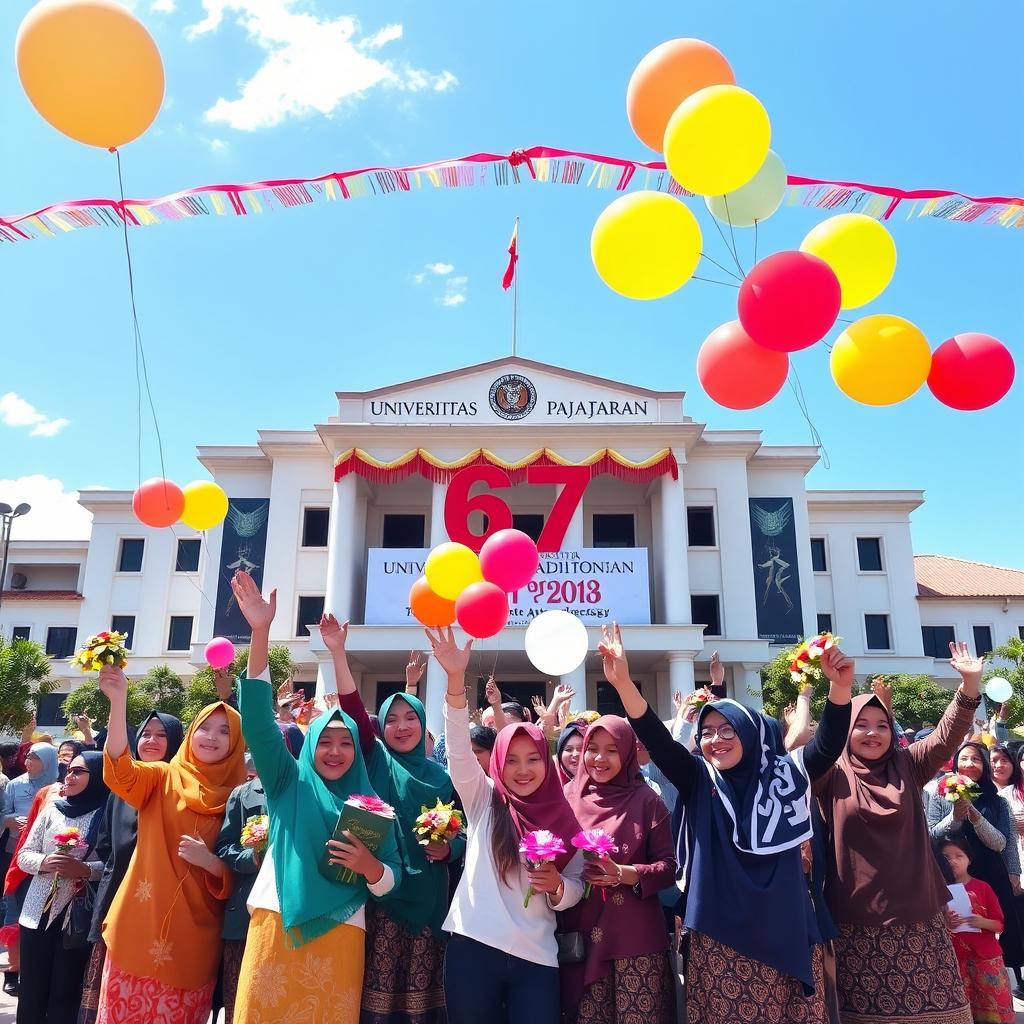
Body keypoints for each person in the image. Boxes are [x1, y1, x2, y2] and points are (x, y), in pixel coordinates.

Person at [600, 624, 853, 1024]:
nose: (715, 740)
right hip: (719, 935)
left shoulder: (785, 776)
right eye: (706, 733)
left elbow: (827, 745)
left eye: (726, 730)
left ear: (751, 734)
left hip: (785, 926)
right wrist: (624, 684)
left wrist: (839, 690)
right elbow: (660, 742)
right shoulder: (699, 778)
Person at [229, 571, 402, 1024]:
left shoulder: (370, 804)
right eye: (326, 742)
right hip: (276, 919)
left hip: (344, 931)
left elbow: (392, 878)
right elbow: (258, 726)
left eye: (346, 744)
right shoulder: (289, 780)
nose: (336, 751)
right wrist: (260, 631)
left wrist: (372, 869)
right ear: (309, 744)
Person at [815, 641, 982, 1024]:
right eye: (861, 724)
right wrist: (833, 692)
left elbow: (947, 735)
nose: (873, 733)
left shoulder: (908, 764)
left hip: (919, 917)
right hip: (855, 920)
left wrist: (970, 685)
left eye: (882, 725)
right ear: (844, 729)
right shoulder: (831, 771)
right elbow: (813, 750)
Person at [429, 625, 585, 1024]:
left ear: (545, 759)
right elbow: (460, 751)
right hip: (474, 946)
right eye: (511, 760)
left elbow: (577, 883)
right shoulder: (484, 799)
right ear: (497, 762)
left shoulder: (564, 813)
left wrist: (558, 889)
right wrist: (453, 681)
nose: (522, 770)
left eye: (532, 758)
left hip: (538, 956)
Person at [321, 616, 459, 1024]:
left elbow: (467, 829)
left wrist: (451, 847)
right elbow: (354, 716)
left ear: (422, 722)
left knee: (425, 996)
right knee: (377, 993)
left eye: (411, 717)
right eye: (392, 719)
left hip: (431, 896)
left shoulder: (441, 775)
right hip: (381, 891)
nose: (401, 726)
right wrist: (338, 653)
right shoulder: (375, 759)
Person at [96, 665, 245, 1024]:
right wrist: (119, 702)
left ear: (237, 742)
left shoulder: (243, 798)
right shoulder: (163, 777)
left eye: (224, 732)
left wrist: (209, 861)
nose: (211, 737)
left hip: (195, 939)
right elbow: (120, 771)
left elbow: (243, 870)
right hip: (138, 923)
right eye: (204, 728)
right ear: (191, 733)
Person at [561, 715, 676, 1024]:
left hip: (635, 938)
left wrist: (623, 873)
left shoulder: (647, 800)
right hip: (580, 933)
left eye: (611, 750)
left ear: (627, 752)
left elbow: (669, 867)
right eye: (592, 748)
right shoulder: (567, 798)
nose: (599, 759)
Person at [78, 712, 185, 1024]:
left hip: (163, 899)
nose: (151, 741)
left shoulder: (182, 786)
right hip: (118, 895)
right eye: (146, 734)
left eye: (161, 735)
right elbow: (107, 843)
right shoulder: (121, 787)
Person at [16, 751, 109, 1024]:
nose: (69, 775)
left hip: (76, 917)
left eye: (79, 771)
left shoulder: (107, 813)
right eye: (68, 769)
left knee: (65, 991)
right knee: (32, 989)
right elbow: (24, 855)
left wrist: (86, 870)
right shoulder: (53, 807)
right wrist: (45, 861)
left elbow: (114, 864)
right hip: (36, 912)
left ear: (97, 777)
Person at [928, 738, 1024, 993]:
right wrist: (955, 817)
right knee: (957, 928)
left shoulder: (998, 802)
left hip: (990, 875)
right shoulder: (938, 795)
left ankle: (998, 987)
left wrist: (974, 814)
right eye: (964, 759)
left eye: (977, 759)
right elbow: (931, 835)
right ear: (955, 763)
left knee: (997, 930)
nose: (970, 764)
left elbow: (1003, 843)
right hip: (951, 874)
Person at [1, 741, 58, 995]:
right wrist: (9, 820)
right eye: (27, 757)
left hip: (48, 862)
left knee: (39, 915)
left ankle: (36, 971)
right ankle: (12, 972)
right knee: (13, 911)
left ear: (48, 762)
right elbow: (3, 814)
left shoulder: (59, 788)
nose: (27, 762)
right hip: (16, 855)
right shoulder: (14, 785)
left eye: (34, 758)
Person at [940, 837, 1015, 1024]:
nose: (953, 861)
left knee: (995, 1011)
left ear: (969, 859)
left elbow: (1000, 925)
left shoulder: (982, 887)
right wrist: (947, 924)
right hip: (957, 961)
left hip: (987, 961)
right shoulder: (939, 892)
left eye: (959, 855)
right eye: (946, 857)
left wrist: (982, 922)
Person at [214, 764, 267, 1023]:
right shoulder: (243, 794)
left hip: (290, 913)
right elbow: (224, 846)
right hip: (245, 916)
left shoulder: (305, 792)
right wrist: (252, 857)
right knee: (239, 1000)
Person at [555, 721, 585, 785]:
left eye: (581, 749)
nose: (575, 754)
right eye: (569, 749)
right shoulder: (551, 785)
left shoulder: (603, 789)